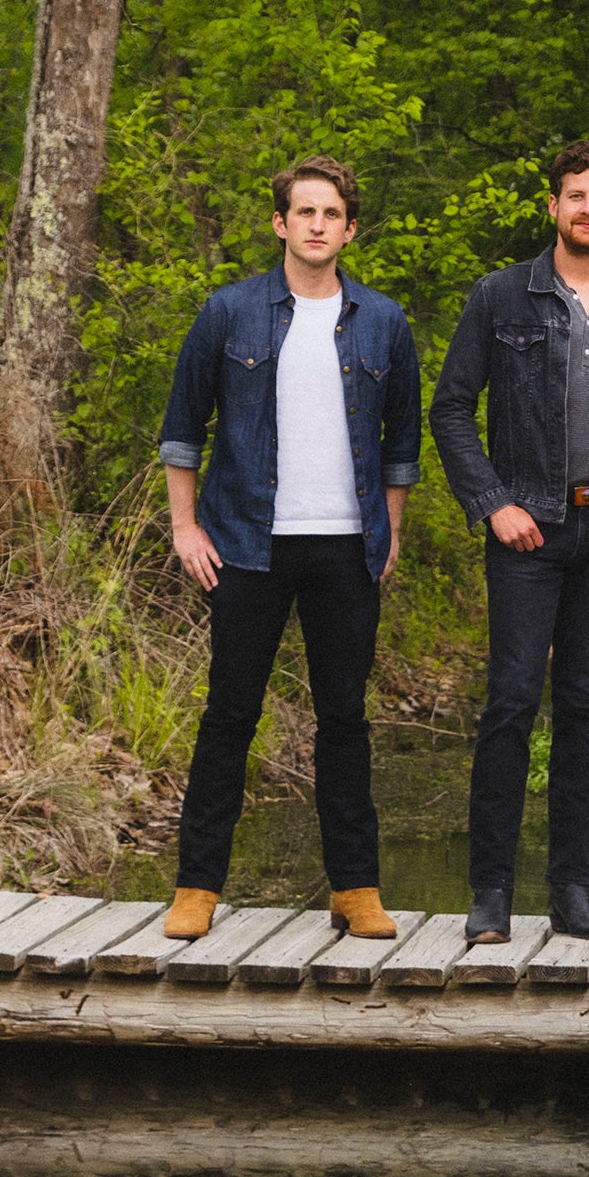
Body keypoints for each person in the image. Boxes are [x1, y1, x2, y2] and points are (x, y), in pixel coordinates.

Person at [154, 154, 422, 942]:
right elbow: (181, 428)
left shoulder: (382, 321)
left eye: (331, 214)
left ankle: (356, 887)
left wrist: (390, 530)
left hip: (346, 547)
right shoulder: (229, 313)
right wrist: (185, 526)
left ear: (348, 228)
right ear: (280, 223)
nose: (316, 225)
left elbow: (401, 442)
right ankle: (197, 886)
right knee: (229, 714)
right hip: (245, 544)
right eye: (304, 212)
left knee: (344, 718)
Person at [430, 141, 589, 945]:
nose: (587, 209)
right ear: (553, 207)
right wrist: (491, 503)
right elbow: (450, 408)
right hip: (527, 529)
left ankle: (572, 889)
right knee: (510, 702)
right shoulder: (502, 296)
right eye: (574, 195)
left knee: (583, 707)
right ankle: (491, 892)